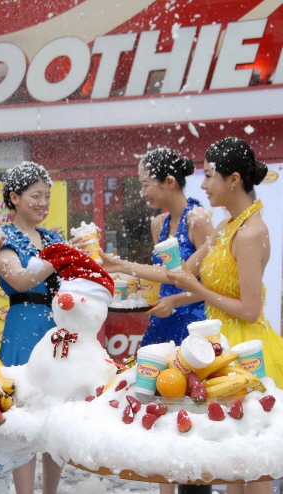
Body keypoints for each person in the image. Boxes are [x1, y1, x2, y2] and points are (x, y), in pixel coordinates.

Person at [101, 137, 283, 494]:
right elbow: (179, 273)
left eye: (210, 175)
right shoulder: (227, 226)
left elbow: (249, 310)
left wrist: (192, 290)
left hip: (244, 348)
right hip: (217, 343)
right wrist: (120, 264)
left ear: (233, 179)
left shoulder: (252, 232)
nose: (202, 184)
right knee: (231, 463)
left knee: (250, 464)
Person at [0, 161, 64, 494]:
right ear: (14, 197)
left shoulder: (53, 237)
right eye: (35, 195)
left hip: (59, 328)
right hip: (23, 325)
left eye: (47, 196)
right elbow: (18, 279)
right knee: (24, 417)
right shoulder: (2, 238)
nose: (43, 203)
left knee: (56, 417)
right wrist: (59, 257)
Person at [139, 148, 213, 347]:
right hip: (161, 322)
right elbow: (162, 276)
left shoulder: (198, 220)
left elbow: (214, 289)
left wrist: (175, 301)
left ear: (169, 182)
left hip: (193, 324)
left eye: (146, 184)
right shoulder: (158, 224)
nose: (143, 192)